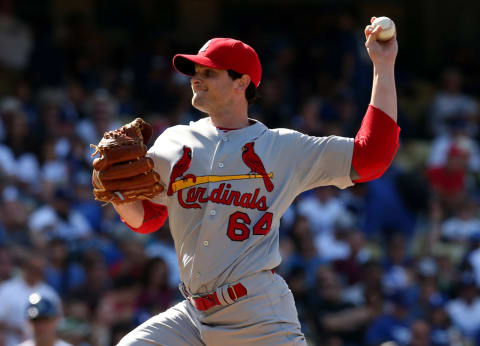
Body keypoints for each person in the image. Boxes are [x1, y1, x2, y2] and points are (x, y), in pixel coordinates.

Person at [114, 16, 400, 346]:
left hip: (257, 314)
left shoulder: (283, 147)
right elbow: (149, 218)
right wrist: (119, 196)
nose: (196, 79)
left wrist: (383, 64)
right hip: (193, 314)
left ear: (241, 83)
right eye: (196, 72)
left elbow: (373, 155)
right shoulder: (173, 141)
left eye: (209, 72)